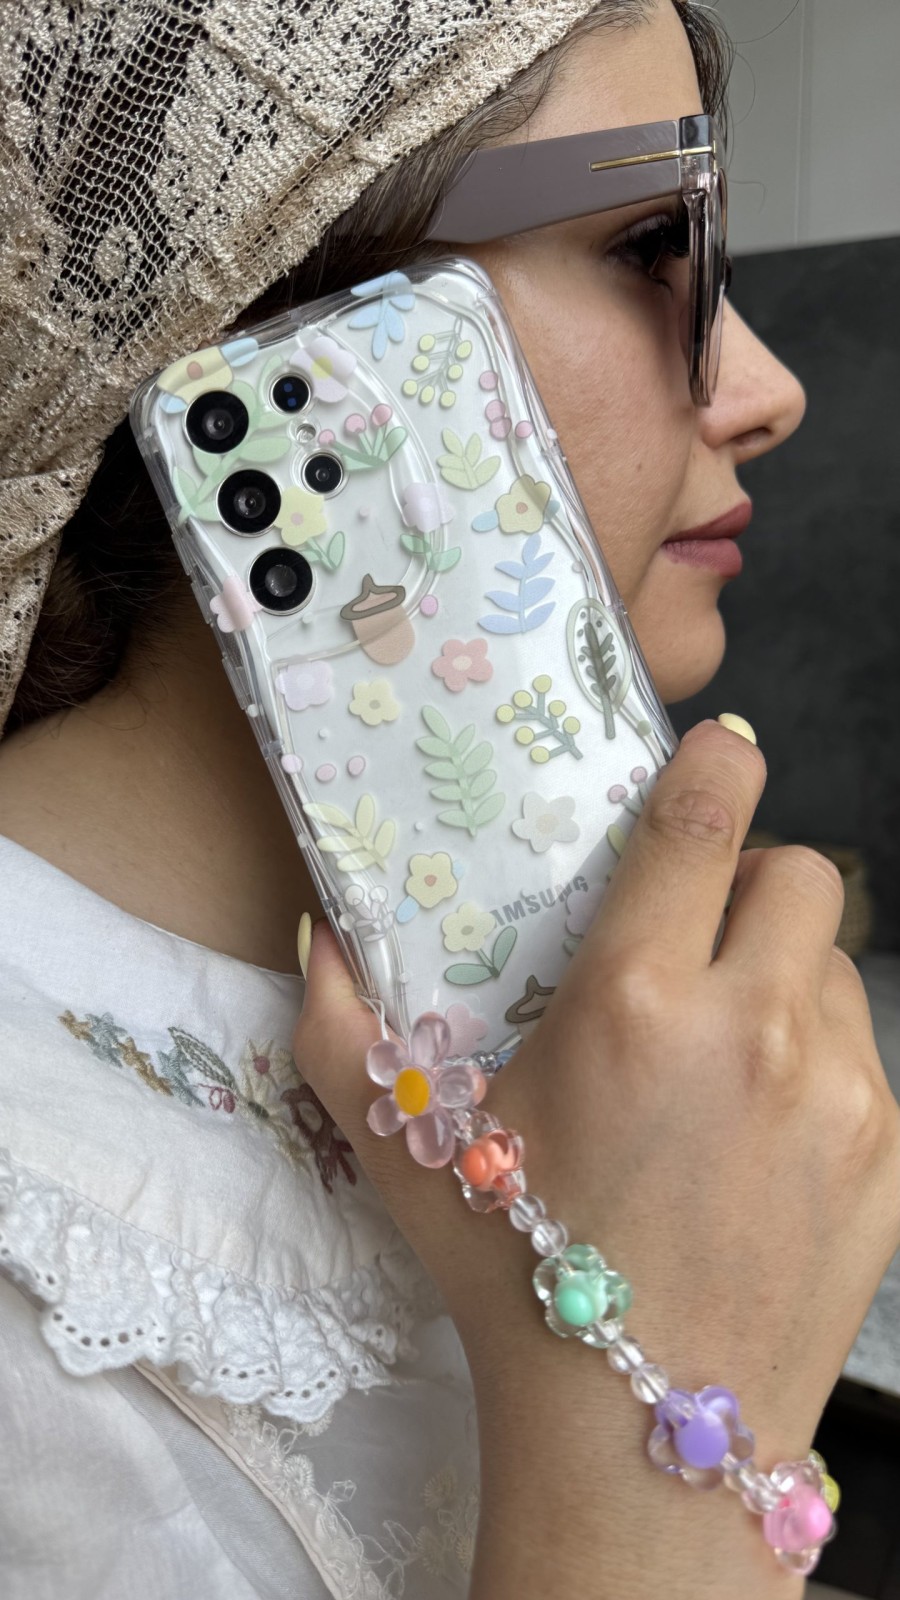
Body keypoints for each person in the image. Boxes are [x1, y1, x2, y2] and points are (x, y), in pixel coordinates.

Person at [0, 0, 897, 1596]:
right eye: (652, 246)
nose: (768, 388)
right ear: (280, 326)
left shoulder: (612, 1031)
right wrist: (653, 1444)